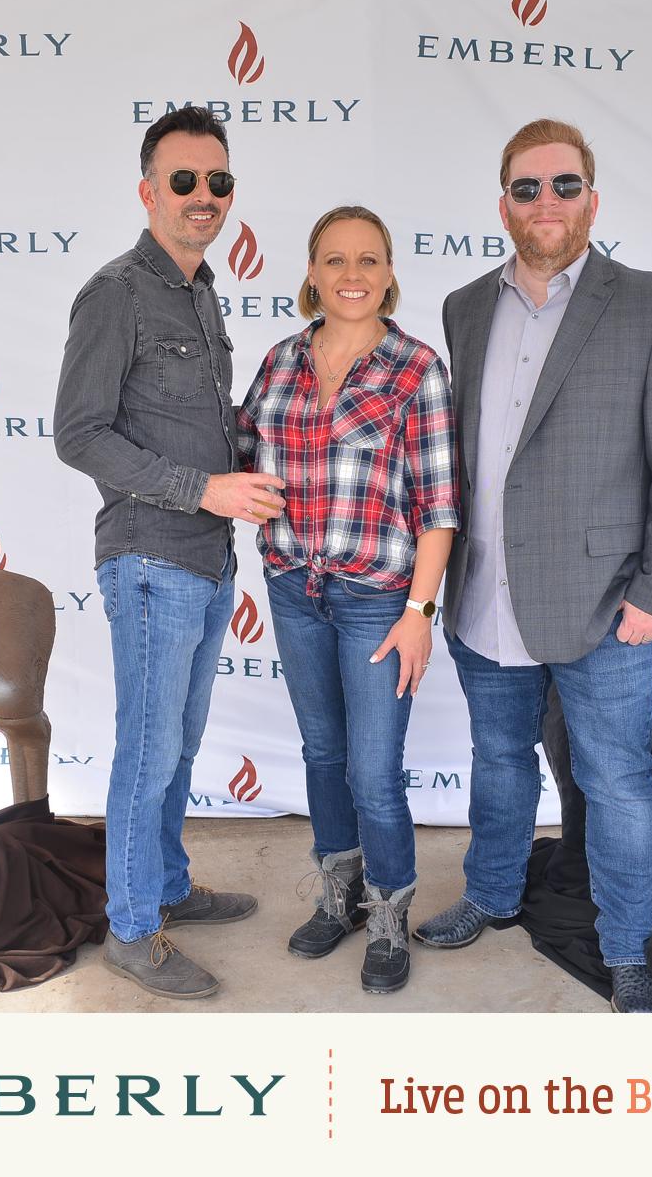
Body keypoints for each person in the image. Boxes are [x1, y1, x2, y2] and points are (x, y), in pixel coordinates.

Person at [414, 119, 652, 1014]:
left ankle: (626, 949)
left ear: (593, 196)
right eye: (527, 188)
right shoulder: (466, 307)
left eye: (564, 185)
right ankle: (493, 892)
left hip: (604, 599)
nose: (546, 202)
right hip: (482, 593)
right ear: (503, 202)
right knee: (498, 757)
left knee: (616, 779)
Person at [53, 106, 288, 1000]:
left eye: (218, 182)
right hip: (151, 558)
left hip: (206, 559)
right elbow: (79, 434)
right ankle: (133, 928)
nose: (203, 196)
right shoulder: (116, 291)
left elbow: (195, 423)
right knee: (148, 750)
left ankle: (165, 885)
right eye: (184, 180)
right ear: (148, 190)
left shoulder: (201, 290)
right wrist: (204, 490)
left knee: (181, 746)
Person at [234, 206, 458, 994]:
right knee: (323, 755)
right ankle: (341, 897)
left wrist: (419, 615)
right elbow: (236, 456)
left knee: (373, 770)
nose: (352, 275)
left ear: (391, 274)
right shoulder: (280, 362)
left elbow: (439, 507)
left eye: (368, 260)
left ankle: (390, 910)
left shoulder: (416, 368)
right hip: (295, 589)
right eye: (335, 260)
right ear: (311, 274)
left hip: (376, 600)